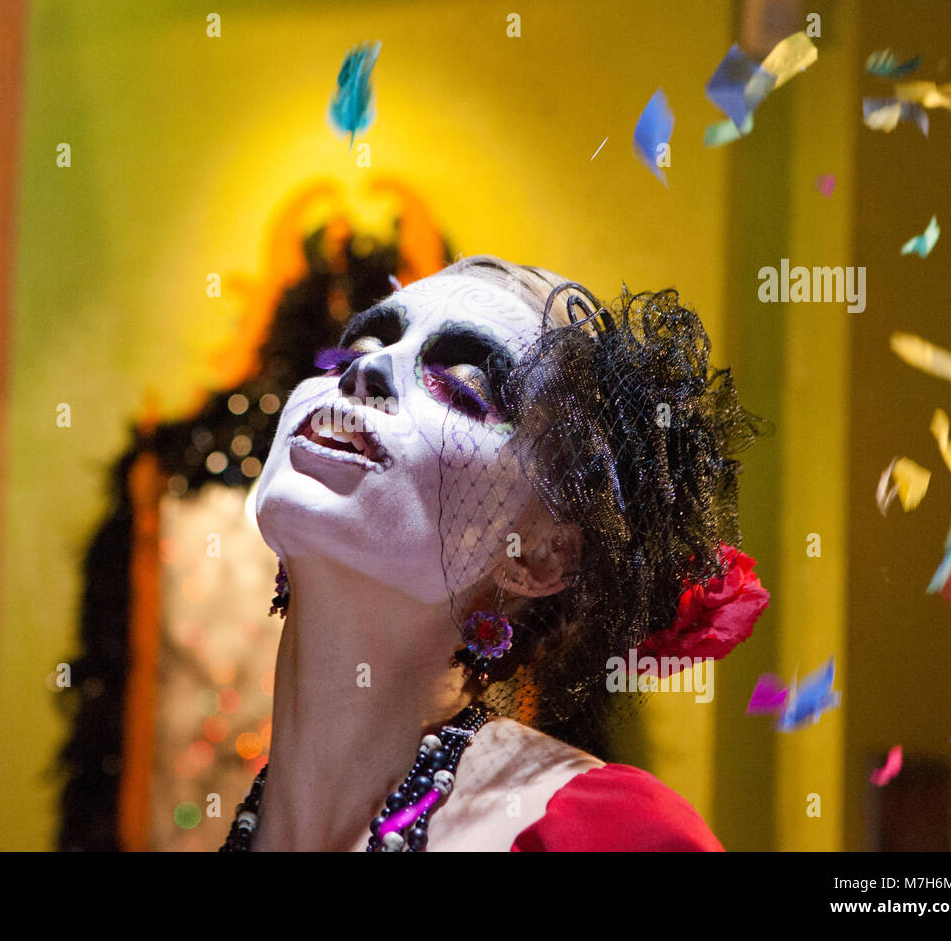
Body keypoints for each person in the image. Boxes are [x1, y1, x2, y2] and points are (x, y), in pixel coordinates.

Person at [222, 254, 769, 851]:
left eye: (461, 388)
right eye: (351, 354)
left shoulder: (609, 835)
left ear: (541, 555)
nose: (371, 369)